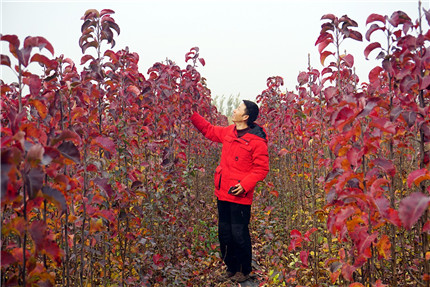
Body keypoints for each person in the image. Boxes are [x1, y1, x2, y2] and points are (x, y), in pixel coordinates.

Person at [191, 100, 269, 283]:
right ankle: (231, 267)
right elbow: (209, 130)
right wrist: (192, 115)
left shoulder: (257, 140)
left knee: (239, 233)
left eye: (238, 108)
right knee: (224, 232)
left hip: (240, 195)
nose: (233, 110)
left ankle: (244, 269)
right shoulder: (229, 132)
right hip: (223, 191)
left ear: (246, 116)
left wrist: (245, 184)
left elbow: (261, 169)